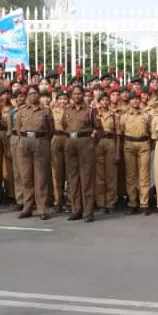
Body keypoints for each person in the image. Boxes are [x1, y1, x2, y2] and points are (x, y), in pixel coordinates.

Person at [13, 84, 53, 219]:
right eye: (30, 94)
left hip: (40, 142)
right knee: (26, 177)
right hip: (24, 143)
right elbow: (18, 128)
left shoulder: (46, 111)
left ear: (39, 95)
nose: (32, 96)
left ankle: (42, 208)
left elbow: (50, 130)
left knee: (41, 177)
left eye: (35, 93)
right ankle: (27, 207)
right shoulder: (22, 111)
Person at [63, 83, 96, 222]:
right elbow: (64, 125)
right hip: (71, 144)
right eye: (74, 94)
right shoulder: (67, 110)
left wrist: (91, 144)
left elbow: (98, 128)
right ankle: (76, 209)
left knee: (86, 178)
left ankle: (88, 212)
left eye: (79, 94)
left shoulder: (90, 110)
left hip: (85, 144)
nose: (77, 96)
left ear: (83, 95)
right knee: (73, 178)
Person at [120, 92, 152, 214]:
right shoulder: (125, 115)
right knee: (131, 176)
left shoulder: (146, 115)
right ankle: (132, 203)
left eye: (137, 99)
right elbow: (122, 129)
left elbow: (150, 130)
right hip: (129, 144)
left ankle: (144, 203)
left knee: (144, 176)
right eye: (132, 99)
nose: (135, 101)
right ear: (129, 101)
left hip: (143, 144)